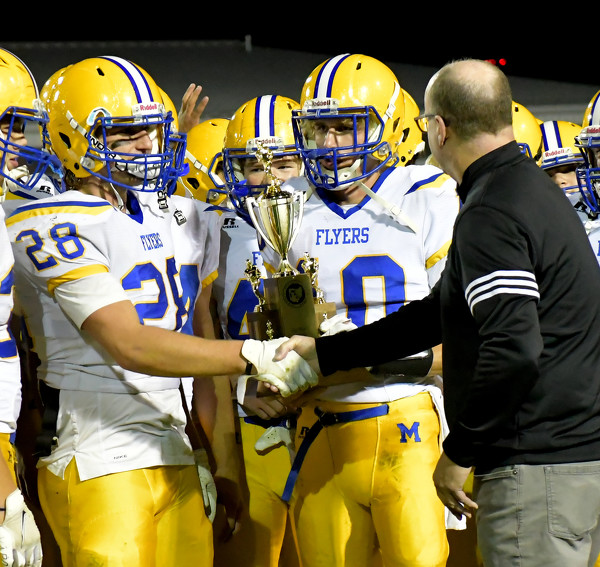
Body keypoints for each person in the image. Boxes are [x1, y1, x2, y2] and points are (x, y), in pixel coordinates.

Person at [276, 58, 600, 567]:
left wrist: (460, 450)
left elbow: (514, 349)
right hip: (565, 455)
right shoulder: (523, 189)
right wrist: (326, 352)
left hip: (535, 462)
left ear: (440, 128)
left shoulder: (491, 209)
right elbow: (436, 313)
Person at [4, 55, 316, 567]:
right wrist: (255, 354)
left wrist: (219, 459)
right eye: (125, 134)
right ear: (69, 138)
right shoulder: (46, 223)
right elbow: (130, 343)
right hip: (95, 453)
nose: (146, 145)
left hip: (174, 449)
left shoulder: (177, 214)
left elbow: (199, 348)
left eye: (148, 130)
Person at [266, 53, 461, 567]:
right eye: (320, 128)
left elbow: (462, 339)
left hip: (406, 417)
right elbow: (274, 320)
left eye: (346, 127)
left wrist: (348, 362)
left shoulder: (428, 195)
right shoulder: (285, 203)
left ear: (389, 126)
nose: (330, 143)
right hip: (316, 425)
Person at [213, 95, 305, 567]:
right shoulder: (214, 228)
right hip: (250, 419)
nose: (271, 178)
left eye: (284, 163)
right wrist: (240, 385)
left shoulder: (326, 221)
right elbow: (198, 332)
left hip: (325, 414)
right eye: (255, 166)